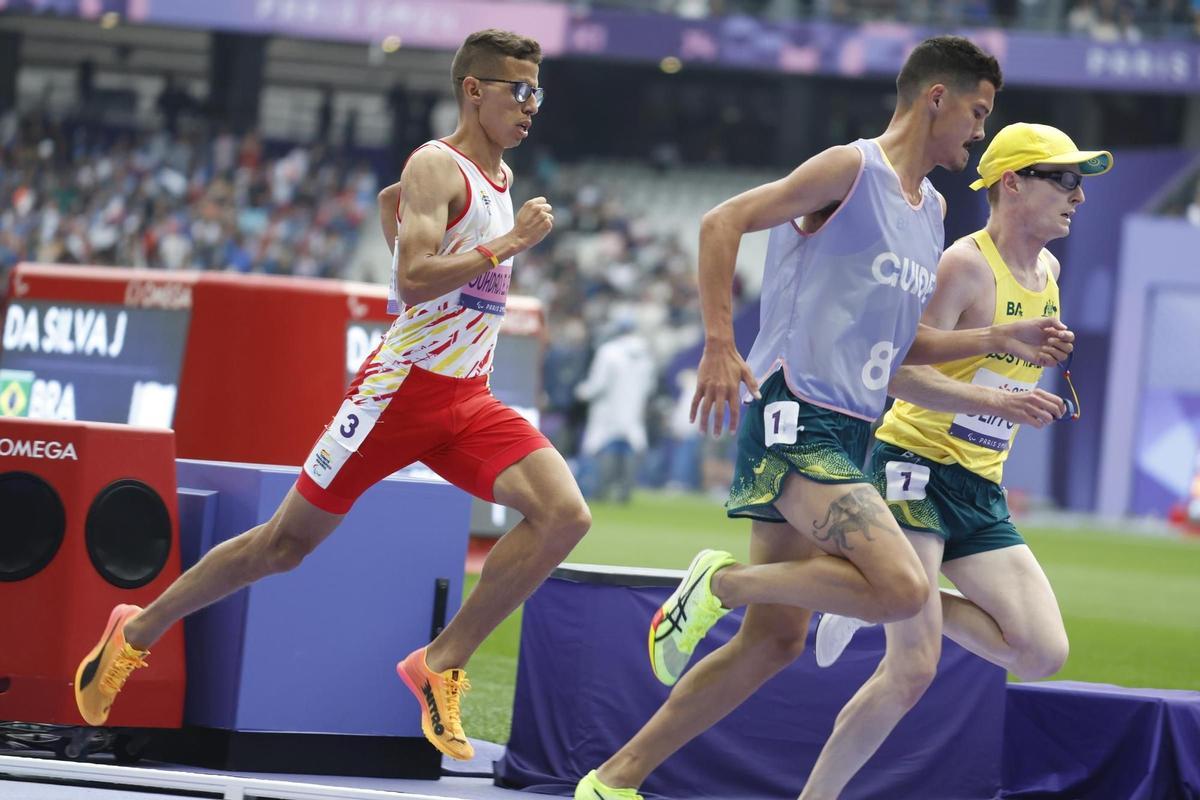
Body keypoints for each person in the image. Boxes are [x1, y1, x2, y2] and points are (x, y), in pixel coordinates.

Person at [576, 36, 1073, 800]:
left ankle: (613, 780)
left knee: (774, 643)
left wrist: (995, 339)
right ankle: (723, 579)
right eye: (977, 112)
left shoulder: (931, 209)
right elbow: (721, 221)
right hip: (794, 418)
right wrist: (718, 341)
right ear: (935, 98)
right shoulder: (851, 169)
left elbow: (907, 347)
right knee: (905, 590)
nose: (979, 133)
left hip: (851, 428)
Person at [74, 29, 592, 762]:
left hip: (467, 400)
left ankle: (440, 661)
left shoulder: (499, 182)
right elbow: (412, 279)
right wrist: (506, 248)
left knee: (564, 515)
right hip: (396, 396)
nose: (532, 104)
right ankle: (136, 630)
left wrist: (435, 227)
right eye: (520, 89)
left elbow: (395, 209)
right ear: (474, 90)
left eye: (538, 90)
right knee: (282, 547)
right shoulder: (435, 166)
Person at [803, 122, 1111, 799]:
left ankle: (877, 592)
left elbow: (1002, 376)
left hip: (978, 485)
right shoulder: (964, 265)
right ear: (1013, 183)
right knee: (911, 671)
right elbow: (893, 372)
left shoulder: (1050, 272)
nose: (1078, 196)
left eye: (1080, 182)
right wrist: (999, 401)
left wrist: (1028, 390)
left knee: (1040, 652)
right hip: (913, 467)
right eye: (1064, 179)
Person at [575, 313, 656, 503]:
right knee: (629, 449)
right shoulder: (645, 354)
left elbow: (597, 384)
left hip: (608, 410)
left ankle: (596, 490)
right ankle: (624, 492)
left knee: (596, 447)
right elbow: (650, 387)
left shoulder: (609, 351)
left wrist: (580, 392)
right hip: (633, 410)